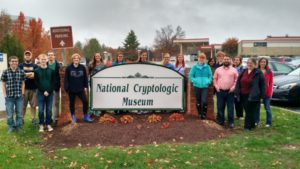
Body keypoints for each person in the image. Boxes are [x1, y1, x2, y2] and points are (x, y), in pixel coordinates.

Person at [235, 58, 265, 131]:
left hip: (253, 95)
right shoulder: (244, 71)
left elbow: (262, 85)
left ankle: (247, 127)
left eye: (251, 63)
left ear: (255, 64)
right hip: (243, 95)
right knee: (248, 110)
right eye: (248, 63)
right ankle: (252, 124)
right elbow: (238, 82)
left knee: (249, 111)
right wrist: (237, 92)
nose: (249, 64)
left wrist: (261, 96)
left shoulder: (258, 72)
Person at [64, 53, 93, 123]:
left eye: (77, 59)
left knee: (85, 101)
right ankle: (73, 116)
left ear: (79, 60)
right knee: (72, 103)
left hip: (80, 89)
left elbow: (85, 78)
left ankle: (85, 116)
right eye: (74, 58)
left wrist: (86, 86)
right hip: (71, 89)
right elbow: (66, 79)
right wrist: (67, 88)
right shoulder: (68, 68)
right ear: (72, 59)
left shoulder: (82, 67)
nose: (76, 60)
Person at [1, 56, 25, 133]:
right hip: (9, 97)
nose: (14, 62)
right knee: (9, 114)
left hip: (19, 96)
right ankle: (11, 127)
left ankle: (19, 127)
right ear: (9, 62)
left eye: (16, 61)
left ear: (18, 62)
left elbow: (23, 84)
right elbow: (3, 84)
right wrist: (5, 95)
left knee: (19, 113)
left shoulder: (21, 71)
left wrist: (23, 94)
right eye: (12, 61)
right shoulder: (5, 72)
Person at [213, 55, 238, 128]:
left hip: (230, 92)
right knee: (220, 107)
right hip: (220, 91)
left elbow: (237, 80)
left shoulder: (234, 70)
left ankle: (231, 122)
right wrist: (217, 87)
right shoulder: (218, 69)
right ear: (223, 60)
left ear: (230, 60)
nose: (226, 60)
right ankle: (221, 121)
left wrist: (233, 88)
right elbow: (214, 79)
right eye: (225, 59)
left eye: (227, 59)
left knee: (230, 108)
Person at [34, 54, 55, 132]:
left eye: (44, 59)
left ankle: (48, 124)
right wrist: (43, 91)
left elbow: (53, 83)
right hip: (40, 93)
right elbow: (36, 83)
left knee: (49, 110)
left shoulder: (51, 71)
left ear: (47, 60)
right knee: (41, 110)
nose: (43, 61)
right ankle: (41, 125)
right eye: (41, 59)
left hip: (50, 94)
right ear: (39, 60)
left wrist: (48, 91)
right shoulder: (36, 71)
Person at [189, 53, 212, 119]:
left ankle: (204, 114)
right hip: (197, 86)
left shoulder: (207, 67)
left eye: (203, 58)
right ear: (198, 58)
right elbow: (191, 76)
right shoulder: (194, 67)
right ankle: (199, 113)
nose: (201, 59)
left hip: (205, 87)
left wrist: (208, 81)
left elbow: (210, 76)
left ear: (205, 59)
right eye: (200, 58)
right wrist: (194, 81)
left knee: (204, 101)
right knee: (198, 101)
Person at [19, 50, 38, 125]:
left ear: (31, 56)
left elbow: (35, 75)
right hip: (23, 89)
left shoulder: (35, 66)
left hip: (33, 89)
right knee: (23, 105)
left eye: (29, 55)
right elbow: (20, 75)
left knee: (33, 105)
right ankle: (22, 119)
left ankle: (33, 119)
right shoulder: (20, 65)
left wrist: (25, 74)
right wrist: (30, 73)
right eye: (26, 55)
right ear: (24, 56)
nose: (27, 56)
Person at [258, 57, 273, 127]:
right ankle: (256, 121)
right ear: (259, 63)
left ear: (266, 63)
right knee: (256, 108)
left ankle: (268, 122)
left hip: (267, 93)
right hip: (258, 93)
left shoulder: (269, 72)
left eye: (264, 62)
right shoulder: (256, 71)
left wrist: (269, 93)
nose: (263, 63)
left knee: (267, 108)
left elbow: (271, 83)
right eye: (261, 62)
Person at [47, 50, 61, 126]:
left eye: (52, 55)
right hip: (46, 88)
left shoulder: (58, 65)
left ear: (54, 56)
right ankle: (49, 119)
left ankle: (56, 118)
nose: (50, 56)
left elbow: (60, 77)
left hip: (55, 87)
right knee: (48, 103)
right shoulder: (45, 64)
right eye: (49, 55)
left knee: (55, 103)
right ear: (47, 56)